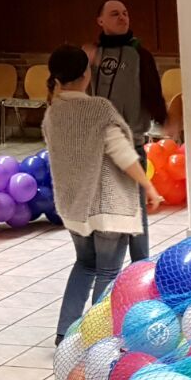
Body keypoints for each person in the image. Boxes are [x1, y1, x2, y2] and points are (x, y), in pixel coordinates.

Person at [42, 44, 162, 343]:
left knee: (84, 265)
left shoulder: (53, 112)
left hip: (74, 206)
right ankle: (97, 338)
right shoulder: (98, 109)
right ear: (86, 74)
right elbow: (122, 154)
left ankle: (64, 332)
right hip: (108, 206)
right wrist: (148, 186)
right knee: (108, 272)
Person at [85, 0, 168, 260]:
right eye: (115, 14)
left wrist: (166, 120)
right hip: (98, 146)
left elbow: (153, 94)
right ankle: (107, 267)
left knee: (135, 209)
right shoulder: (90, 55)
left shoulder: (140, 55)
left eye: (125, 13)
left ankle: (140, 265)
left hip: (130, 144)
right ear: (100, 21)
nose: (122, 17)